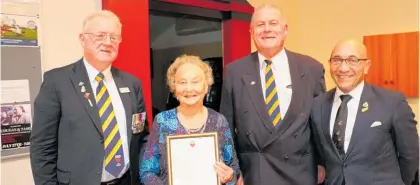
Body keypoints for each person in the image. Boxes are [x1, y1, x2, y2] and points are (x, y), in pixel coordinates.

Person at [30, 10, 149, 185]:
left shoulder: (132, 83)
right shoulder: (57, 82)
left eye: (114, 37)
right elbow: (42, 147)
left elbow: (141, 135)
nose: (108, 43)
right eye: (100, 36)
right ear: (82, 38)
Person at [219, 3, 326, 185]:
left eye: (273, 23)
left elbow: (321, 124)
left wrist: (322, 164)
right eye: (260, 25)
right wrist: (235, 171)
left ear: (285, 30)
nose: (267, 29)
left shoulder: (312, 69)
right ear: (251, 31)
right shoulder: (234, 71)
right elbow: (226, 128)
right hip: (255, 171)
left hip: (301, 171)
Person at [310, 39, 419, 185]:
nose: (343, 68)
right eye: (337, 60)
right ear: (329, 64)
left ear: (366, 66)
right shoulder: (317, 106)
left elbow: (411, 156)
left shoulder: (391, 102)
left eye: (352, 60)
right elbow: (320, 155)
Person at [140, 55, 240, 185]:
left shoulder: (219, 121)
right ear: (173, 87)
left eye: (195, 81)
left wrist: (229, 177)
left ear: (206, 86)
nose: (189, 89)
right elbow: (147, 171)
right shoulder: (162, 121)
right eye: (182, 82)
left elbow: (233, 166)